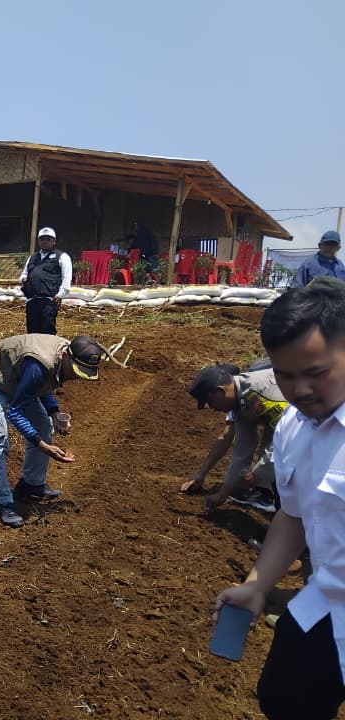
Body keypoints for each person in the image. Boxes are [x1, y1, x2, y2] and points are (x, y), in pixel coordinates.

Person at [213, 282, 345, 719]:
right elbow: (293, 515)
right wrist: (257, 585)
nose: (299, 389)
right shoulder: (293, 427)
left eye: (315, 372)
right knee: (283, 699)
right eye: (286, 375)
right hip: (328, 600)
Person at [0, 334, 104, 527]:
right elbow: (15, 411)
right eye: (76, 370)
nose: (76, 376)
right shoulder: (39, 363)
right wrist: (43, 445)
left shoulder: (62, 356)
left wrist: (54, 412)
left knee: (44, 424)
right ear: (66, 356)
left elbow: (42, 385)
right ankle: (2, 501)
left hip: (15, 379)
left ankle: (32, 485)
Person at [184, 363, 287, 514]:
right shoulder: (239, 402)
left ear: (220, 391)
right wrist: (222, 495)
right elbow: (242, 450)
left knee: (284, 478)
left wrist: (259, 474)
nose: (211, 407)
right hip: (294, 431)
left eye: (210, 402)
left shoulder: (257, 393)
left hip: (319, 427)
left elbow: (287, 438)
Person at [20, 227, 72, 335]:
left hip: (49, 300)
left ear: (54, 241)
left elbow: (66, 278)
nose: (45, 241)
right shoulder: (33, 258)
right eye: (42, 239)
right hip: (32, 300)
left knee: (47, 331)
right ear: (38, 241)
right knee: (32, 331)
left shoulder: (62, 257)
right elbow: (24, 273)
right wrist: (23, 279)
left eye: (48, 239)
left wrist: (60, 295)